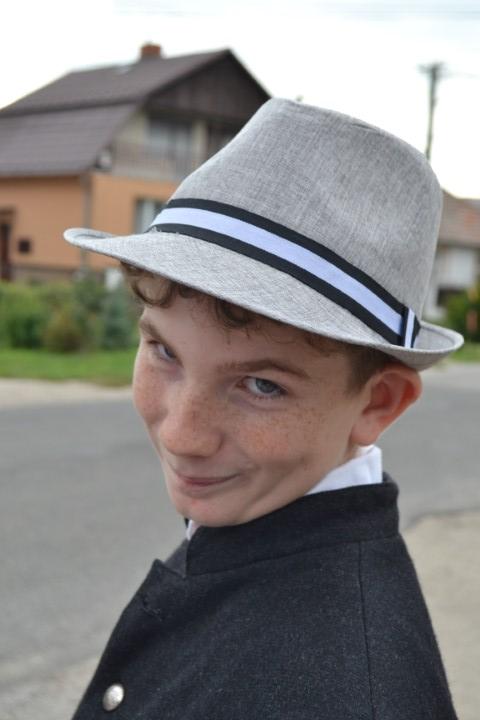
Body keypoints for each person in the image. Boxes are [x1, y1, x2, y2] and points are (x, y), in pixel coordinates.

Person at [64, 98, 463, 719]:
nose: (183, 434)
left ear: (377, 402)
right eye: (164, 351)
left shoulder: (343, 696)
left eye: (262, 385)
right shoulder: (256, 528)